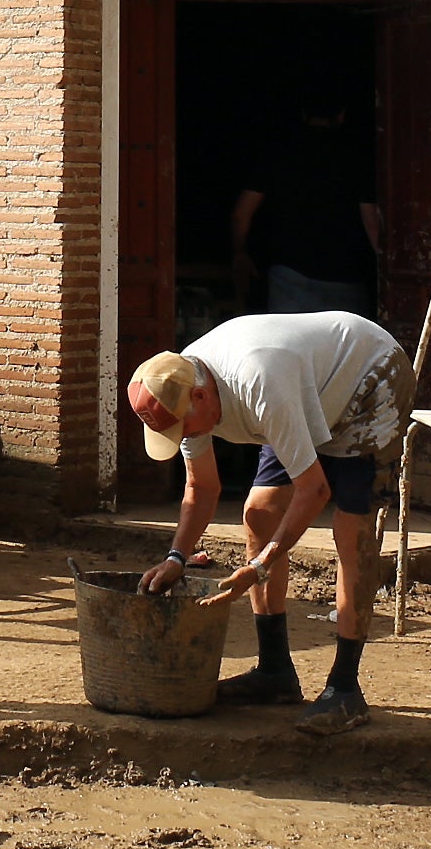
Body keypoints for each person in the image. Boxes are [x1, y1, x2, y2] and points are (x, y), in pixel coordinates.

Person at [128, 308, 405, 732]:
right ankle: (275, 672)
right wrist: (176, 558)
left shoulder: (258, 384)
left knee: (350, 531)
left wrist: (259, 566)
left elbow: (315, 491)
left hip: (368, 380)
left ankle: (345, 689)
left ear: (200, 397)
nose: (182, 437)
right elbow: (202, 488)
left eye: (181, 429)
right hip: (305, 390)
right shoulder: (180, 386)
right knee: (259, 513)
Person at [226, 95, 382, 321]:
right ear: (341, 115)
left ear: (303, 114)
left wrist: (240, 253)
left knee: (291, 343)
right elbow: (371, 221)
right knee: (345, 344)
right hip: (345, 278)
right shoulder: (356, 156)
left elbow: (241, 214)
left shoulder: (279, 152)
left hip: (289, 277)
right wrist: (388, 269)